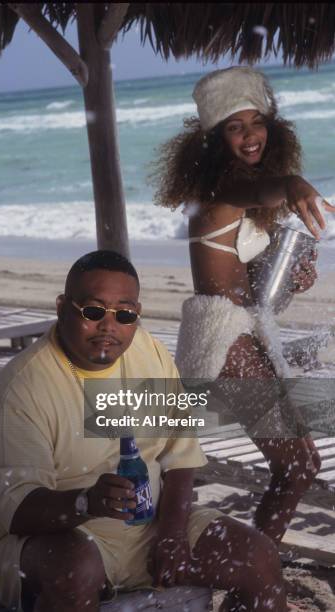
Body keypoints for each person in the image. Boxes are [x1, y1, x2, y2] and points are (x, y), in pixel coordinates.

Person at [0, 250, 289, 612]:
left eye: (124, 315)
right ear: (62, 307)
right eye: (93, 311)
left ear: (137, 315)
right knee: (75, 570)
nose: (109, 327)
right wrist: (86, 502)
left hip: (150, 528)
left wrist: (172, 534)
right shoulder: (24, 385)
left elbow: (180, 455)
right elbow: (16, 511)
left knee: (259, 557)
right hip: (60, 540)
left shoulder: (148, 352)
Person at [151, 66, 335, 547]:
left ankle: (258, 568)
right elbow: (253, 191)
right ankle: (253, 577)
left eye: (256, 122)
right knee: (296, 464)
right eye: (235, 127)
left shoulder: (248, 205)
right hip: (222, 340)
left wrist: (293, 281)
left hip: (241, 333)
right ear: (215, 140)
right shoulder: (218, 198)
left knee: (302, 463)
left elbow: (255, 294)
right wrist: (292, 182)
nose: (250, 135)